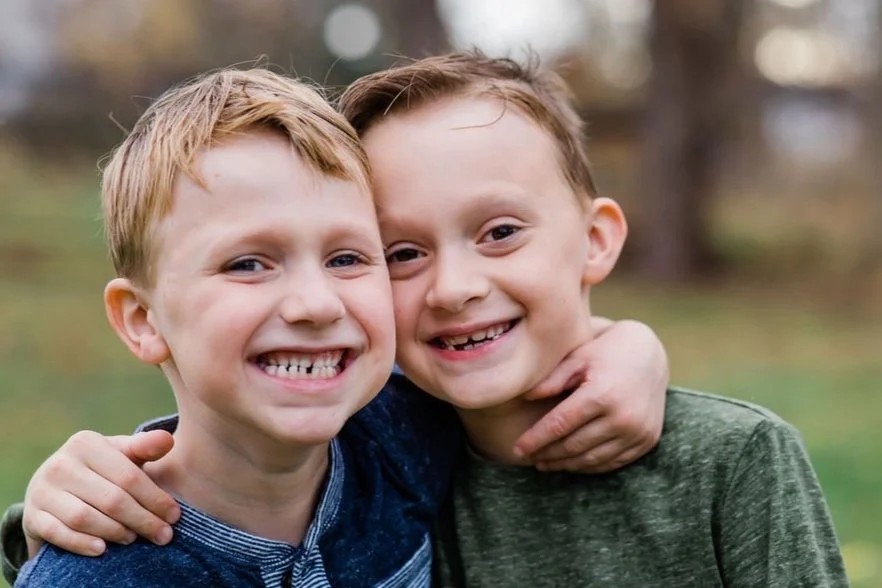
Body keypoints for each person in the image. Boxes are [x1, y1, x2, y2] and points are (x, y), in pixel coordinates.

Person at [2, 65, 669, 587]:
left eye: (348, 257)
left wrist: (629, 346)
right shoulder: (104, 569)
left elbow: (512, 354)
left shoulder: (403, 437)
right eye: (248, 263)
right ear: (144, 321)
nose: (316, 304)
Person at [336, 51, 849, 586]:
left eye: (501, 232)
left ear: (596, 241)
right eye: (402, 254)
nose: (453, 289)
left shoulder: (737, 460)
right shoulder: (375, 474)